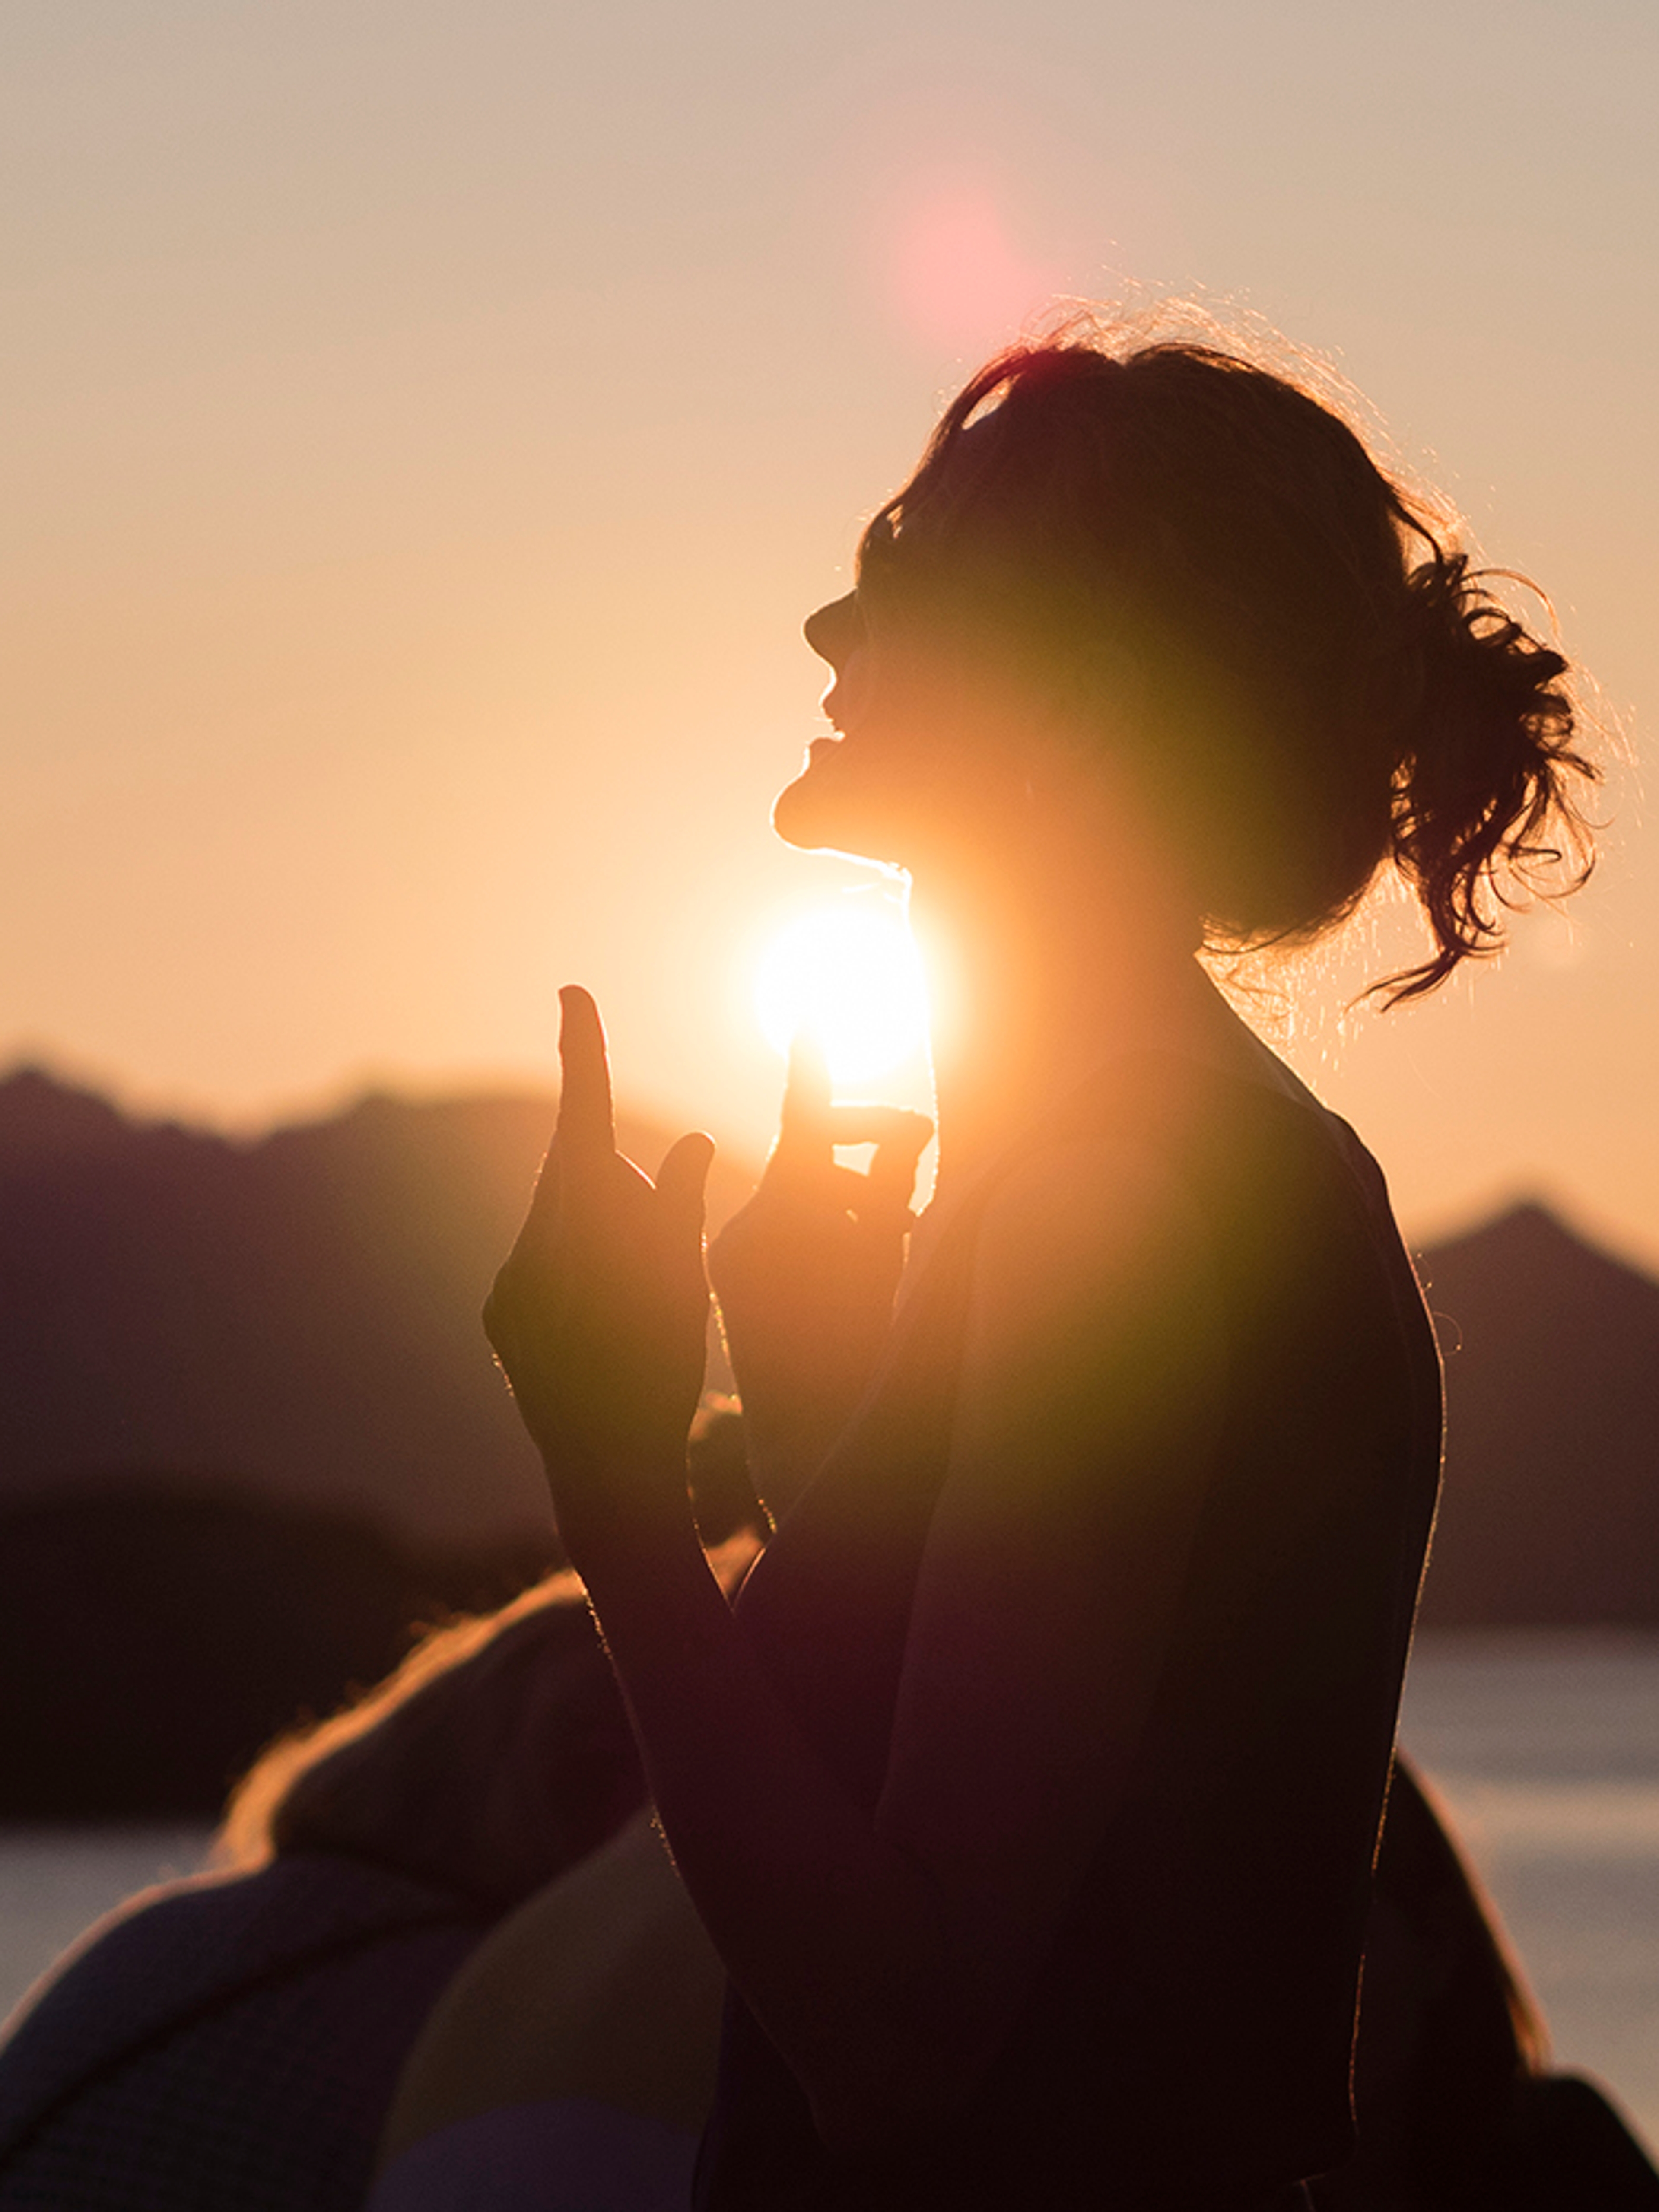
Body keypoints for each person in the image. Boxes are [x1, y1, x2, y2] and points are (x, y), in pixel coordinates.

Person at [480, 311, 1598, 2210]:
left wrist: (611, 1471)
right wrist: (838, 1400)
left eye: (903, 583)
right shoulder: (1153, 1180)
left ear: (1081, 690)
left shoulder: (1117, 1209)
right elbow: (1127, 1854)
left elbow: (912, 2041)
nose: (833, 636)